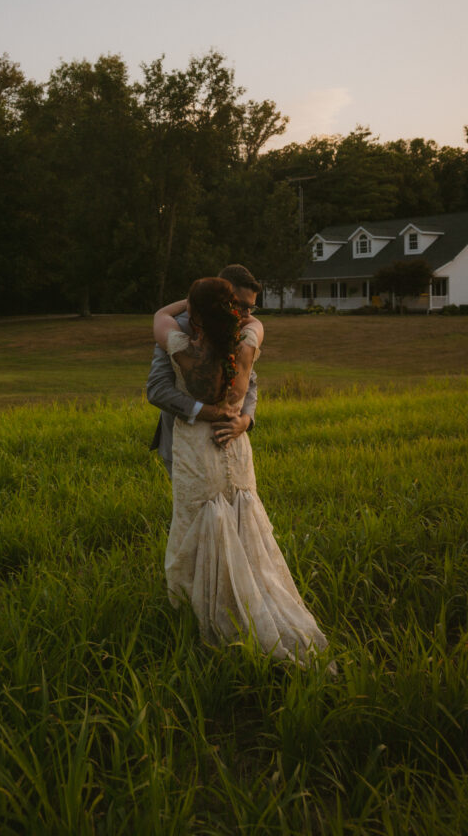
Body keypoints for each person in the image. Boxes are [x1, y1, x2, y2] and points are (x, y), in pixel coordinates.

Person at [153, 276, 330, 664]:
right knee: (239, 517)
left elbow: (160, 315)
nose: (250, 312)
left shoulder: (180, 343)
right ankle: (250, 600)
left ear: (195, 313)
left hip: (202, 446)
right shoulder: (249, 339)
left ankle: (200, 611)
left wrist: (244, 419)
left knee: (196, 522)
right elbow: (158, 389)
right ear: (232, 309)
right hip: (234, 449)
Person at [147, 264, 260, 477]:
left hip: (231, 442)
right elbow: (157, 389)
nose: (246, 315)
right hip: (184, 444)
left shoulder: (242, 330)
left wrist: (245, 421)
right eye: (241, 306)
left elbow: (250, 380)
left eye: (251, 309)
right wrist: (207, 412)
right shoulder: (177, 327)